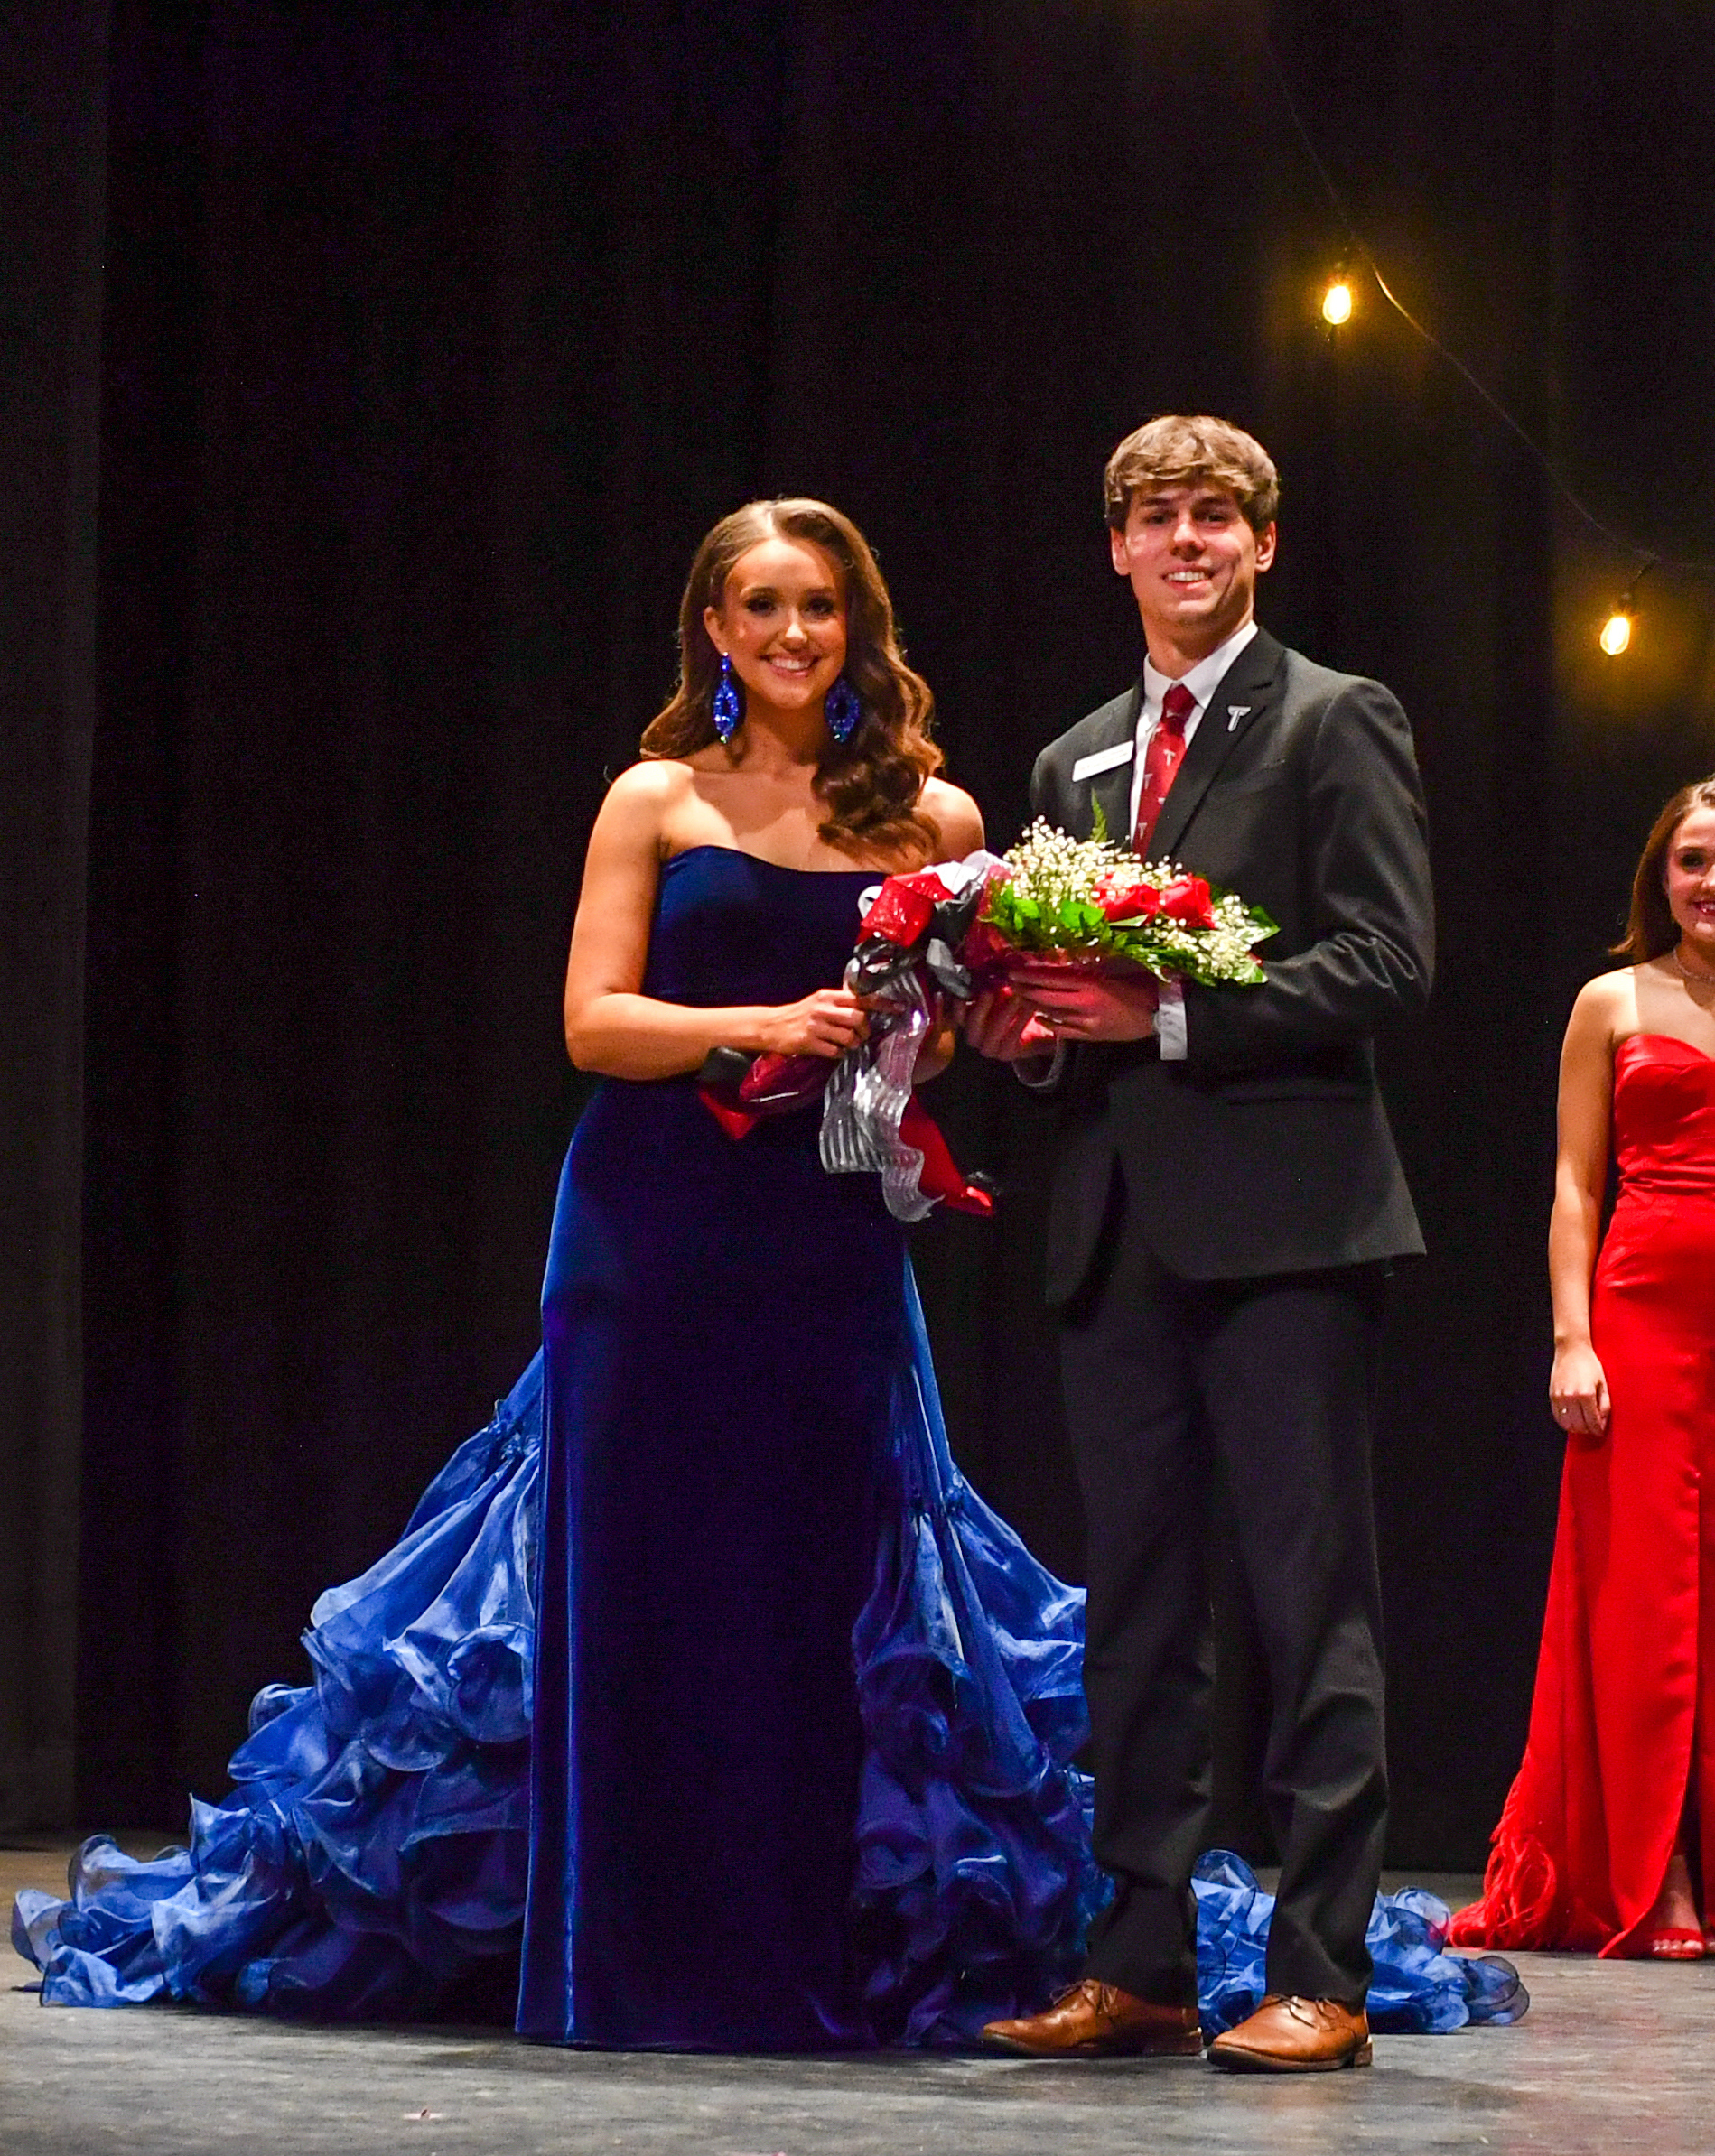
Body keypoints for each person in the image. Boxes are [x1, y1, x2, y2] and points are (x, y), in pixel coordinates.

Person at [16, 493, 1515, 2052]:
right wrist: (754, 1024)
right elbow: (594, 1023)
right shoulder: (654, 796)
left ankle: (823, 1947)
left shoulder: (941, 818)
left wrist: (969, 1038)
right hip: (653, 1235)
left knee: (822, 1599)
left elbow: (973, 1037)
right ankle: (625, 1955)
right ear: (716, 632)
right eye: (764, 608)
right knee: (641, 1587)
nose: (795, 635)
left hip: (830, 1234)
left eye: (822, 608)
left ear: (858, 627)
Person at [968, 415, 1434, 2071]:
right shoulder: (1075, 758)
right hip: (1116, 1232)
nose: (1184, 542)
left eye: (1214, 517)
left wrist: (1166, 1013)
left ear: (1262, 544)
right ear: (1114, 548)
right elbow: (1061, 1004)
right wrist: (1029, 1037)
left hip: (1291, 1229)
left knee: (1313, 1607)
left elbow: (1387, 964)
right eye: (1154, 518)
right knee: (1140, 1616)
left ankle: (1323, 1972)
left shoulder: (1332, 718)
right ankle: (1144, 1964)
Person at [1450, 778, 1715, 1962]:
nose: (1713, 884)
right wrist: (1573, 1336)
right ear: (1660, 876)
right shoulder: (1611, 1000)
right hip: (1647, 1314)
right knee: (1649, 1606)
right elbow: (1575, 1188)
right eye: (1695, 860)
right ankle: (1655, 1883)